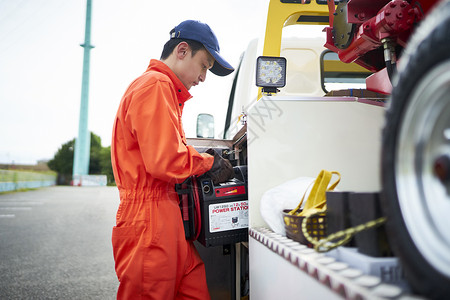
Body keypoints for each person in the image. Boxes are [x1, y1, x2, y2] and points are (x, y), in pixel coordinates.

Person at [110, 20, 235, 299]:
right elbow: (164, 160)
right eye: (204, 65)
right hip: (148, 219)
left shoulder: (163, 90)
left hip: (166, 219)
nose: (203, 77)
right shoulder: (155, 84)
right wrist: (208, 163)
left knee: (193, 290)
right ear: (182, 51)